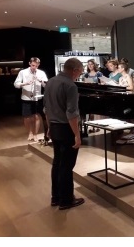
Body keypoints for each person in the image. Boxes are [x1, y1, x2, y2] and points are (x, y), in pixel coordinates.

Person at [43, 57, 85, 210]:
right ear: (74, 70)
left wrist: (48, 126)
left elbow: (46, 108)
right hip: (66, 129)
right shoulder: (70, 85)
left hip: (54, 127)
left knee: (57, 163)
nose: (79, 75)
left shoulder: (51, 82)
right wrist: (77, 135)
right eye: (80, 72)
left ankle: (56, 197)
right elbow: (71, 114)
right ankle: (66, 200)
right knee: (67, 166)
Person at [14, 57, 49, 142]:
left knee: (36, 116)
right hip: (26, 97)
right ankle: (30, 132)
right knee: (27, 117)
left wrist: (41, 81)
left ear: (38, 65)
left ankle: (36, 134)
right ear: (29, 64)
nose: (34, 67)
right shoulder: (23, 72)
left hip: (37, 98)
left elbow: (47, 86)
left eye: (36, 66)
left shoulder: (41, 73)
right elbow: (16, 84)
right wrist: (25, 83)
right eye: (33, 65)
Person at [83, 59, 103, 133]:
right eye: (89, 64)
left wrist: (97, 85)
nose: (90, 66)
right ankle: (91, 126)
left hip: (97, 93)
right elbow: (85, 84)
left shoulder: (99, 73)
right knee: (90, 110)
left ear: (94, 65)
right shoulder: (86, 74)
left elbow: (102, 83)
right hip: (89, 93)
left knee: (96, 110)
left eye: (91, 64)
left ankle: (97, 125)